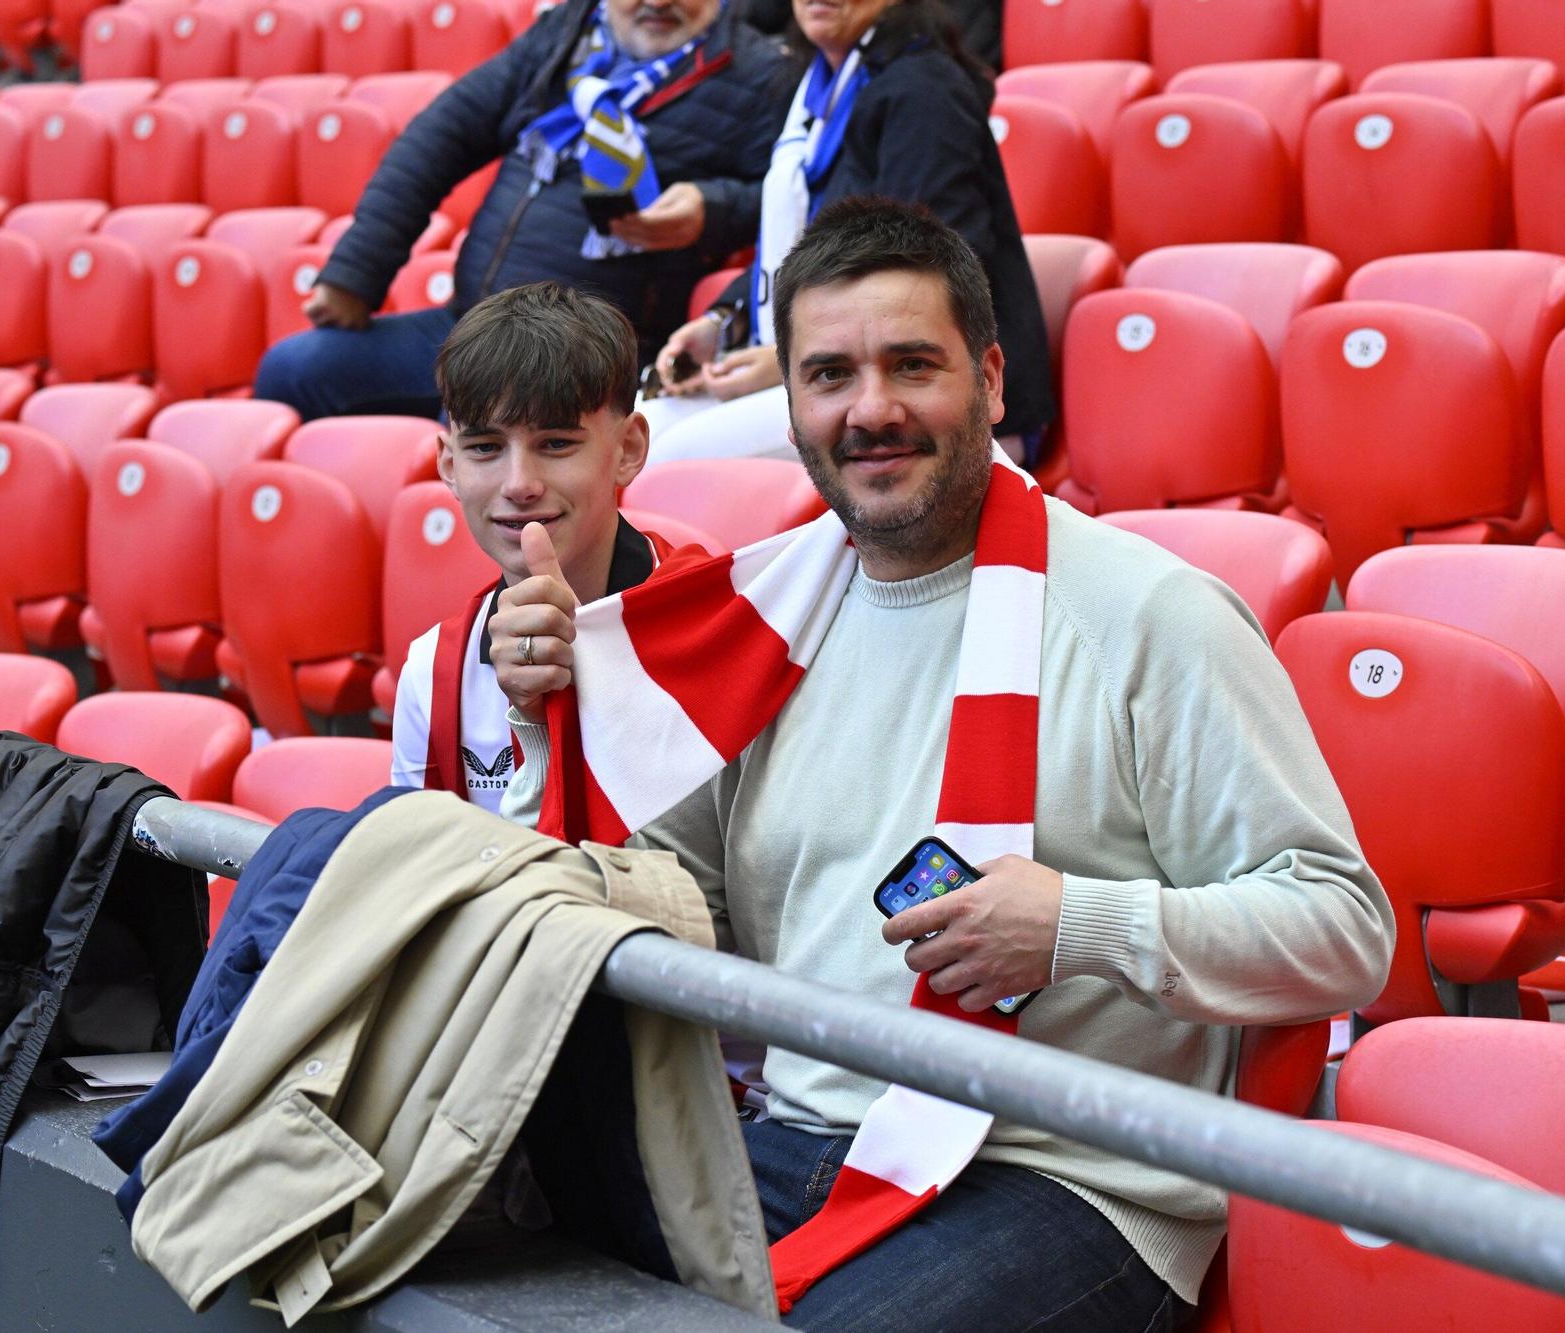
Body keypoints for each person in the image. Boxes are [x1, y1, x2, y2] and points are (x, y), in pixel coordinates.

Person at [491, 199, 1394, 1329]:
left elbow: (1343, 932)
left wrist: (1076, 922)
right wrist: (543, 725)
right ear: (793, 405)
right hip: (797, 1142)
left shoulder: (1153, 617)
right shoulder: (758, 617)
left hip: (1058, 1178)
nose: (870, 410)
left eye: (910, 365)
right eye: (828, 375)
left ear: (992, 380)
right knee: (459, 1215)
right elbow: (675, 918)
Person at [253, 0, 796, 421]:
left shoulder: (760, 75)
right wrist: (356, 274)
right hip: (468, 323)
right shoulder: (566, 35)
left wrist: (713, 210)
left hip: (581, 354)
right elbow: (441, 135)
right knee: (293, 371)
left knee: (482, 427)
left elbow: (790, 206)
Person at [636, 0, 1053, 465]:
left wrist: (784, 360)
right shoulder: (814, 91)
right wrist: (721, 323)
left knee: (663, 457)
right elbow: (804, 249)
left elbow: (922, 273)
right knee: (633, 429)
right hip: (832, 366)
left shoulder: (925, 88)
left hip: (924, 391)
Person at [389, 282, 683, 812]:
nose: (519, 483)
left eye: (555, 444)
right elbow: (423, 872)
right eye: (485, 448)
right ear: (449, 466)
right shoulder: (433, 670)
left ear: (629, 449)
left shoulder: (718, 623)